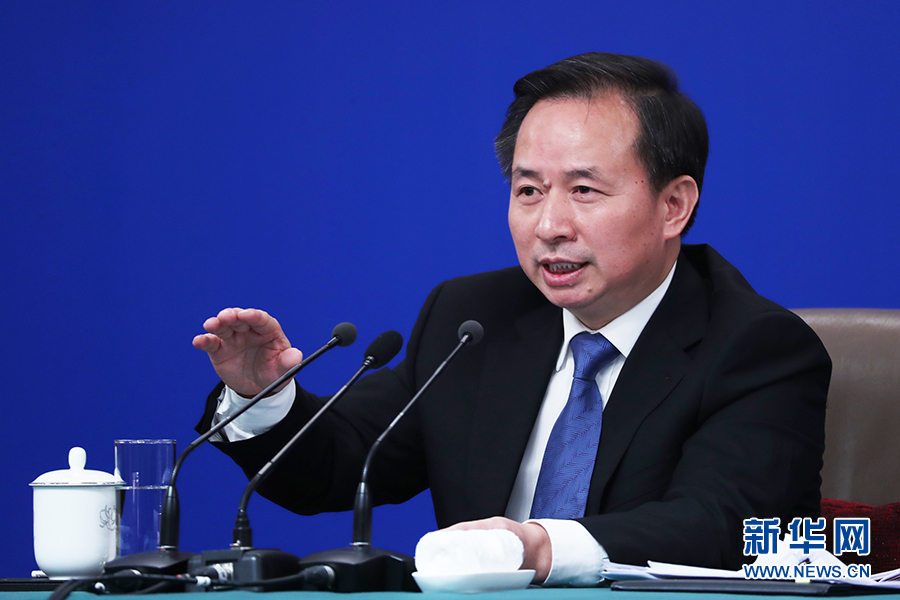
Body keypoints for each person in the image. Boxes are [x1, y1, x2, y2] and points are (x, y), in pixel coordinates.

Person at [193, 52, 830, 586]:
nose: (549, 225)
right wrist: (264, 396)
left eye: (584, 190)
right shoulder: (474, 319)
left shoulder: (756, 346)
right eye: (529, 191)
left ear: (674, 206)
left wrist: (537, 548)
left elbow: (725, 526)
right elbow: (340, 466)